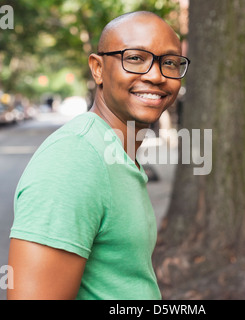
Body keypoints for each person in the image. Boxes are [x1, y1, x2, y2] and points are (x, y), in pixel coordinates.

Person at [7, 11, 190, 300]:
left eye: (169, 62)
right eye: (135, 58)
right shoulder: (74, 159)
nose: (156, 75)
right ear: (98, 68)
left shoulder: (117, 154)